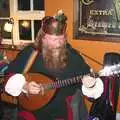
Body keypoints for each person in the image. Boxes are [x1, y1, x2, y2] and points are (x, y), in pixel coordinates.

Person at [4, 10, 103, 120]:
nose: (59, 44)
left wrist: (91, 85)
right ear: (43, 38)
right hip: (30, 110)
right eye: (54, 39)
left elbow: (91, 92)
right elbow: (9, 75)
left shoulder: (74, 57)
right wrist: (24, 85)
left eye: (62, 39)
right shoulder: (30, 52)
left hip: (60, 113)